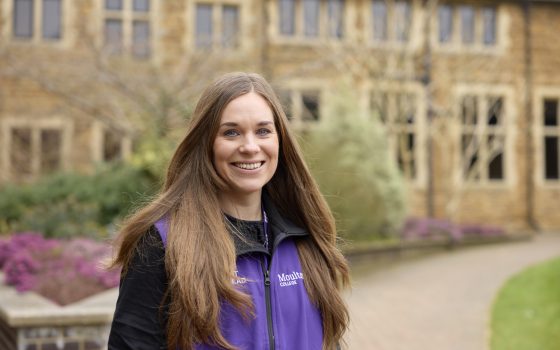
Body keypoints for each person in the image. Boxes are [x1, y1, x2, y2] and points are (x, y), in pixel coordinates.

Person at [108, 72, 350, 350]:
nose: (250, 147)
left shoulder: (307, 241)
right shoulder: (162, 242)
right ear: (206, 144)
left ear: (280, 141)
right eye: (231, 132)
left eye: (263, 131)